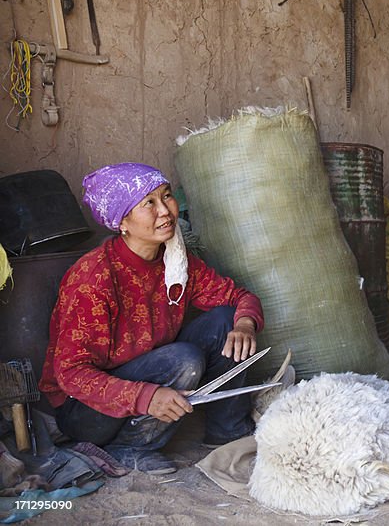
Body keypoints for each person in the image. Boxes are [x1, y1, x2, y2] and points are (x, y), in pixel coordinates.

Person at [39, 163, 264, 475]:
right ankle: (130, 447)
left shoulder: (176, 260)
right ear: (123, 222)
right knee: (184, 360)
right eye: (149, 203)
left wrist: (245, 323)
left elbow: (238, 297)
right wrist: (145, 396)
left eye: (167, 196)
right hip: (84, 410)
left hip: (149, 367)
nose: (166, 211)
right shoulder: (93, 278)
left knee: (226, 321)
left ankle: (226, 430)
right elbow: (71, 374)